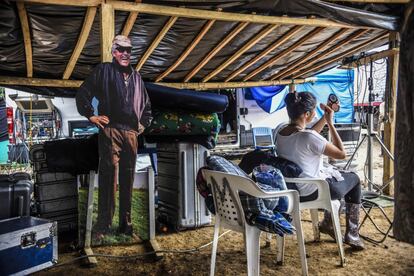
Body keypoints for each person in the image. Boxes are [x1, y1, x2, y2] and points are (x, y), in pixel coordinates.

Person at [76, 35, 152, 237]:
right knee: (109, 177)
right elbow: (83, 92)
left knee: (128, 178)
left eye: (128, 49)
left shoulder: (137, 77)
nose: (125, 53)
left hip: (131, 134)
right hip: (110, 130)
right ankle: (103, 226)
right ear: (113, 51)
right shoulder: (104, 70)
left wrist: (142, 125)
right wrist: (90, 115)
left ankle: (125, 224)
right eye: (120, 49)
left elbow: (147, 106)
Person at [275, 91, 364, 250]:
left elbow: (308, 136)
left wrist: (325, 117)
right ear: (307, 114)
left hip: (291, 189)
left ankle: (328, 223)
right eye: (314, 110)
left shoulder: (280, 131)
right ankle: (352, 234)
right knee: (354, 179)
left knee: (339, 177)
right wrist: (330, 123)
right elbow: (341, 154)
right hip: (313, 191)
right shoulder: (308, 137)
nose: (315, 113)